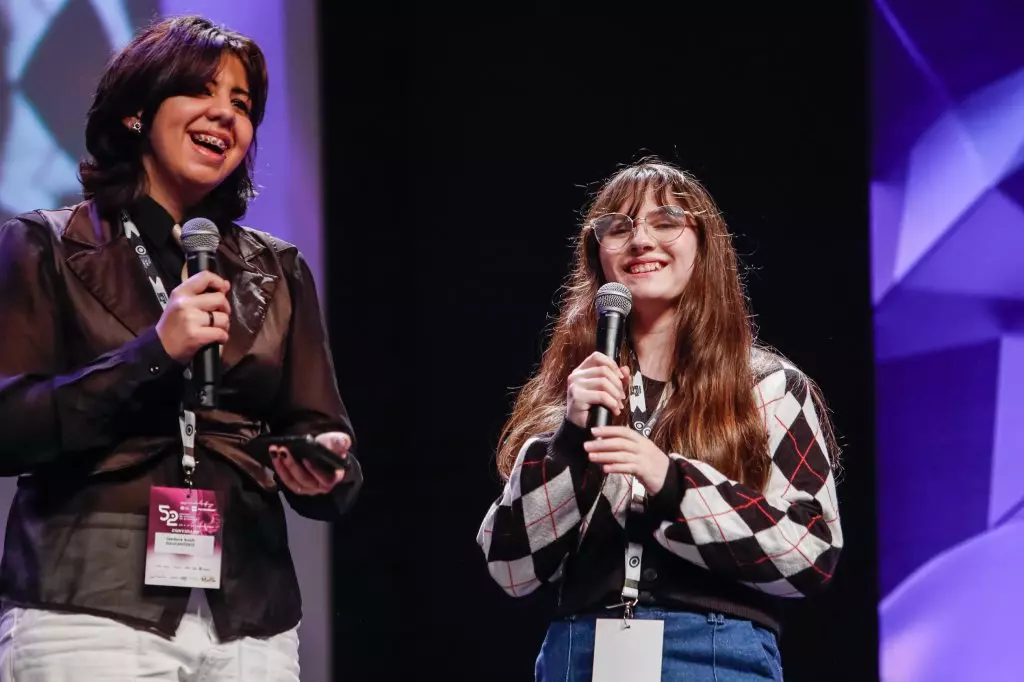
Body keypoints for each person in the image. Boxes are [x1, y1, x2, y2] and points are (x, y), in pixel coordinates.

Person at [0, 16, 360, 681]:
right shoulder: (44, 246)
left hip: (250, 615)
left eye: (243, 104)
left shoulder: (278, 271)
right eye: (201, 91)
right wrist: (153, 352)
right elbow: (8, 427)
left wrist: (324, 466)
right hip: (92, 605)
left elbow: (319, 429)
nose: (225, 114)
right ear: (136, 112)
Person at [476, 159, 842, 681]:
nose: (640, 240)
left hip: (714, 652)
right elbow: (508, 569)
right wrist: (569, 440)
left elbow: (812, 552)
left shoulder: (768, 385)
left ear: (703, 243)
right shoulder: (572, 392)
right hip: (581, 652)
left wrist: (671, 483)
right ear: (598, 255)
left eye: (666, 221)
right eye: (619, 227)